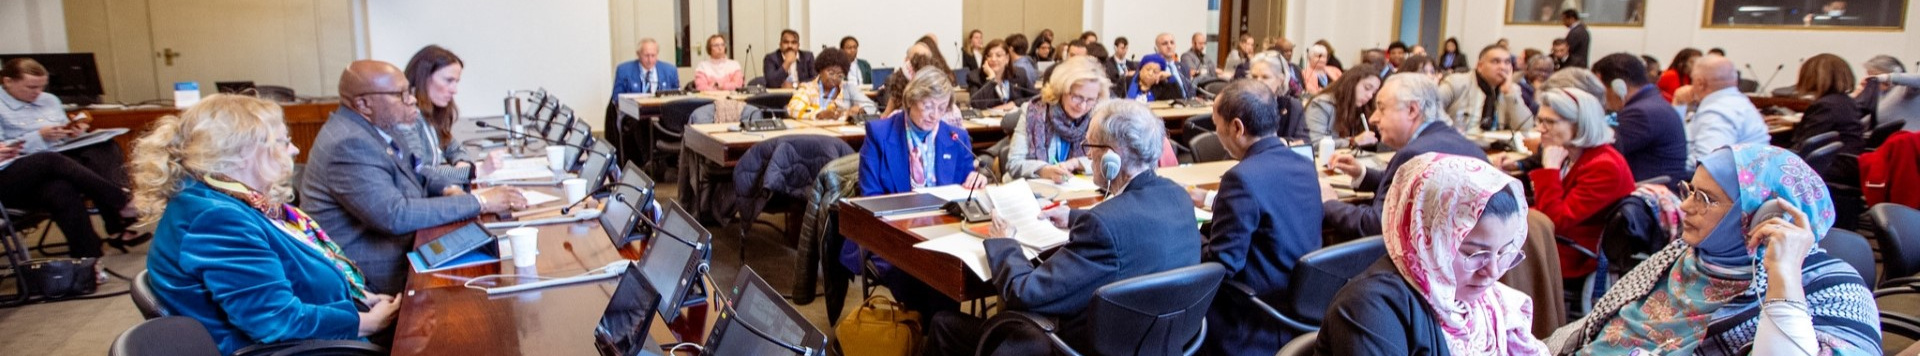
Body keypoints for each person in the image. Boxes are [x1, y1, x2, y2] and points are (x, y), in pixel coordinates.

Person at [922, 99, 1200, 356]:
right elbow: (1132, 229)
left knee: (944, 323)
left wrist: (1004, 242)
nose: (1087, 159)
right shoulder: (1177, 197)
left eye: (1089, 149)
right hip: (1156, 341)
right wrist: (1075, 217)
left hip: (1076, 345)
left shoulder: (1104, 224)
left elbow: (1025, 293)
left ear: (1111, 157)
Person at [1546, 144, 1883, 355]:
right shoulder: (1683, 256)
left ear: (1764, 215)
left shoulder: (1835, 290)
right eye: (1689, 190)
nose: (1685, 207)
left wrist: (1784, 276)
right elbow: (1598, 324)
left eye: (1705, 199)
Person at [133, 95, 400, 355]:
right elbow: (275, 321)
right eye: (284, 142)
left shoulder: (222, 198)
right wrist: (368, 322)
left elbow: (292, 278)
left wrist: (360, 298)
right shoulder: (217, 219)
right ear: (244, 153)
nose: (294, 150)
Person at [301, 60, 526, 294]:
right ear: (363, 104)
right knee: (487, 293)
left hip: (406, 253)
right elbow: (395, 215)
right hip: (376, 281)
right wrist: (482, 202)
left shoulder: (381, 127)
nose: (412, 100)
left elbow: (419, 170)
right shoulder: (348, 143)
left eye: (409, 91)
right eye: (400, 94)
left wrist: (449, 189)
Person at [1317, 153, 1548, 355]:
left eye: (1505, 251)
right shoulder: (1369, 308)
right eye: (1474, 253)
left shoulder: (1483, 304)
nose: (1493, 272)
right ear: (1427, 237)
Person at [1192, 80, 1324, 356]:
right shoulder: (1302, 165)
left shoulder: (1241, 178)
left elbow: (1223, 265)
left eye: (1217, 125)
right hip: (1299, 308)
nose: (1216, 133)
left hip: (1251, 316)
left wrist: (1190, 237)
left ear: (1237, 127)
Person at [849, 66, 984, 320]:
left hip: (946, 234)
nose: (935, 115)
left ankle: (939, 335)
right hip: (894, 235)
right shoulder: (880, 134)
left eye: (942, 107)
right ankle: (932, 334)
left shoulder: (956, 136)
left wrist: (975, 179)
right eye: (928, 106)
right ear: (911, 100)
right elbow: (871, 196)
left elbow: (966, 184)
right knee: (927, 279)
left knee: (951, 274)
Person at [0, 58, 148, 257]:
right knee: (49, 160)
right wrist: (39, 136)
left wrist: (72, 131)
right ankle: (122, 202)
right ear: (8, 82)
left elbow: (61, 134)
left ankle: (89, 260)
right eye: (31, 87)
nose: (37, 92)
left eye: (41, 87)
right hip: (13, 172)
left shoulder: (49, 100)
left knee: (92, 157)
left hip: (54, 164)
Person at [1322, 74, 1489, 239]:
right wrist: (1361, 174)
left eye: (1381, 108)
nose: (1373, 118)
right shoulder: (1465, 145)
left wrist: (1330, 203)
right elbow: (1411, 187)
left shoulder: (1413, 155)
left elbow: (1377, 226)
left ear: (1412, 110)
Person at [1526, 88, 1635, 283]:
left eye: (1549, 122)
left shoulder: (1604, 165)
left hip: (1575, 255)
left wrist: (1550, 170)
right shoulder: (1575, 154)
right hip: (1559, 242)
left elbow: (1554, 221)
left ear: (1580, 124)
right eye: (1539, 120)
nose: (1540, 129)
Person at [1007, 57, 1111, 182]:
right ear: (1061, 90)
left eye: (1090, 100)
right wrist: (1044, 170)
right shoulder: (1032, 112)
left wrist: (1078, 163)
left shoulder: (1097, 115)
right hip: (1036, 192)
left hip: (1078, 193)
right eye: (1077, 97)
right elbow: (1014, 163)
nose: (1083, 106)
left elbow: (1109, 159)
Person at [1591, 53, 1689, 183]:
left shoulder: (1641, 113)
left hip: (1645, 193)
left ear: (1618, 86)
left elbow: (1599, 152)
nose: (1600, 96)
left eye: (1601, 88)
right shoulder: (1651, 103)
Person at [400, 45, 482, 195]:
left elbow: (454, 148)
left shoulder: (432, 112)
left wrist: (462, 162)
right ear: (423, 77)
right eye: (448, 80)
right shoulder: (407, 117)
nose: (454, 90)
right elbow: (420, 172)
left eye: (456, 82)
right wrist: (469, 172)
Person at [1683, 55, 1770, 169]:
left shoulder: (1716, 112)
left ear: (1700, 83)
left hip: (1732, 183)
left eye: (1692, 80)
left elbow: (1709, 162)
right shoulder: (1739, 102)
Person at [1787, 54, 1866, 176]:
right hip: (1848, 163)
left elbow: (1803, 146)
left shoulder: (1825, 105)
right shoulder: (1845, 101)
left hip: (1831, 167)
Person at [1439, 45, 1536, 134]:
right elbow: (1430, 109)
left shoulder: (1512, 90)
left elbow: (1525, 127)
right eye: (1496, 62)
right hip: (1458, 143)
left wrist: (1509, 94)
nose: (1503, 67)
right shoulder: (1457, 82)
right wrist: (1451, 128)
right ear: (1480, 66)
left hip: (1495, 148)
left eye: (1507, 62)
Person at [786, 49, 876, 121]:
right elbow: (793, 108)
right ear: (820, 70)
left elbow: (871, 106)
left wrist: (861, 110)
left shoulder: (848, 88)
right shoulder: (808, 88)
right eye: (831, 73)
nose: (835, 78)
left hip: (842, 135)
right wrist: (820, 114)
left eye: (840, 75)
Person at [1305, 63, 1381, 149]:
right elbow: (1314, 143)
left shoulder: (1363, 108)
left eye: (1373, 92)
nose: (1370, 96)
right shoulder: (1321, 104)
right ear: (1351, 83)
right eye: (1367, 88)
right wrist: (1353, 141)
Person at [967, 40, 1035, 111]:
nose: (993, 59)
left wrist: (1014, 103)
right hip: (988, 120)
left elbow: (1036, 97)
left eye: (998, 55)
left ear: (1007, 58)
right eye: (989, 56)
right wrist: (991, 79)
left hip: (1014, 119)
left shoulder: (1019, 73)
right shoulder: (975, 77)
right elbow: (975, 104)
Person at [1859, 55, 1919, 129]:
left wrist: (1887, 78)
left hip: (1908, 139)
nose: (1870, 81)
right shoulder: (1878, 96)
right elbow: (1862, 123)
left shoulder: (1906, 90)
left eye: (1874, 76)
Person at [612, 38, 680, 96]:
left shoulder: (670, 71)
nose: (650, 60)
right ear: (638, 54)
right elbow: (617, 98)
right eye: (646, 55)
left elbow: (677, 97)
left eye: (653, 55)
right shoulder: (624, 71)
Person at [1142, 33, 1196, 98]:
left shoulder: (1183, 67)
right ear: (1156, 48)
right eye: (1165, 43)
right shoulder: (1152, 68)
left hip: (1187, 105)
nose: (1169, 46)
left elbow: (1190, 89)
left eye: (1172, 43)